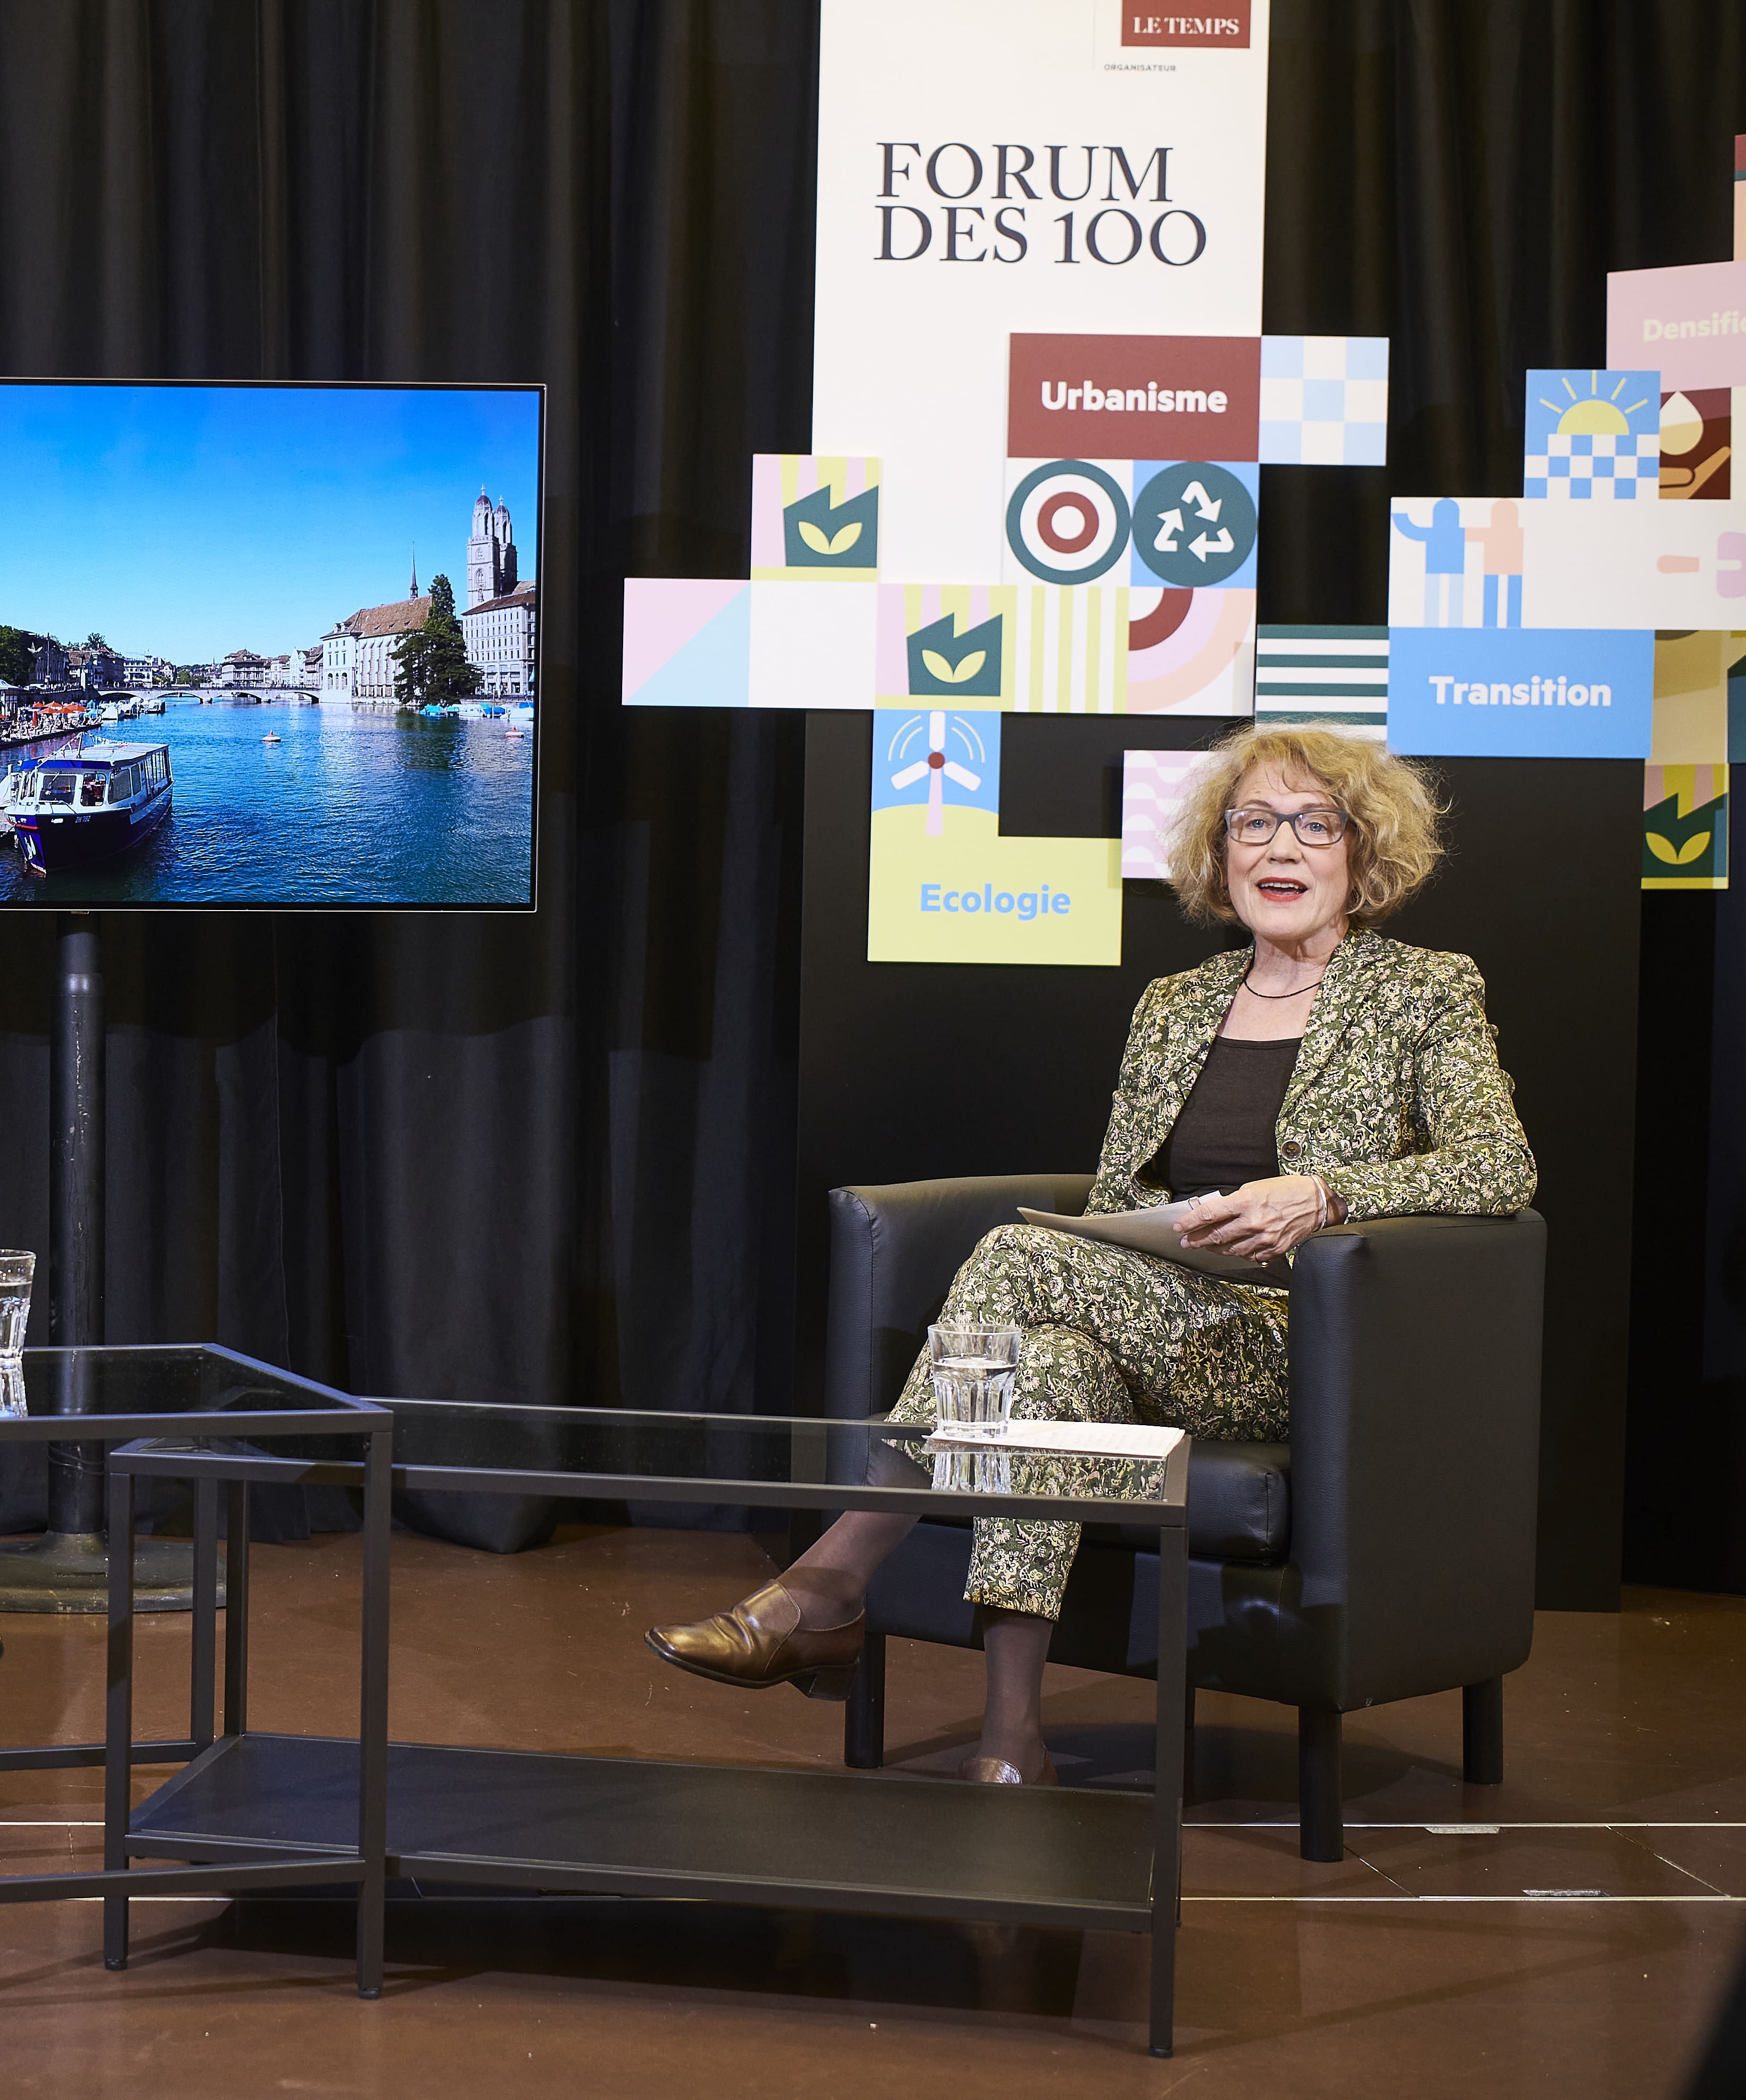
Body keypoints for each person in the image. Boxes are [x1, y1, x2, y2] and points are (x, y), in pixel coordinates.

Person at [647, 723, 1534, 1782]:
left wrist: (1326, 1194)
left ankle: (829, 1581)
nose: (1279, 847)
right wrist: (1135, 1240)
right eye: (1253, 822)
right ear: (1220, 851)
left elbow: (1499, 1167)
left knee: (1015, 1260)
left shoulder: (1423, 989)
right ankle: (1010, 1741)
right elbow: (1119, 1198)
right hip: (1154, 1321)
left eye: (1313, 824)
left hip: (1296, 1344)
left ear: (1360, 850)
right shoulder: (1174, 1006)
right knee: (1047, 1371)